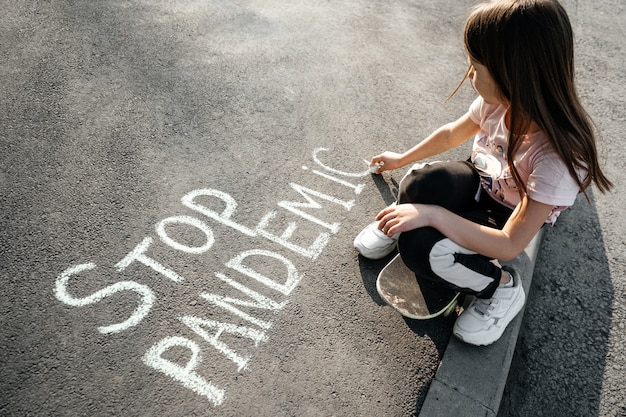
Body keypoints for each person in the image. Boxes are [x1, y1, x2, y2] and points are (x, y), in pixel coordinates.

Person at [354, 0, 612, 346]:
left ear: (515, 75)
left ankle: (501, 289)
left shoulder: (557, 159)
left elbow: (509, 244)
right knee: (419, 181)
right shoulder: (498, 102)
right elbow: (450, 134)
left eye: (476, 66)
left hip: (505, 218)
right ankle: (397, 222)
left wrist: (431, 215)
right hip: (480, 181)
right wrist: (401, 159)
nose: (470, 74)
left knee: (421, 250)